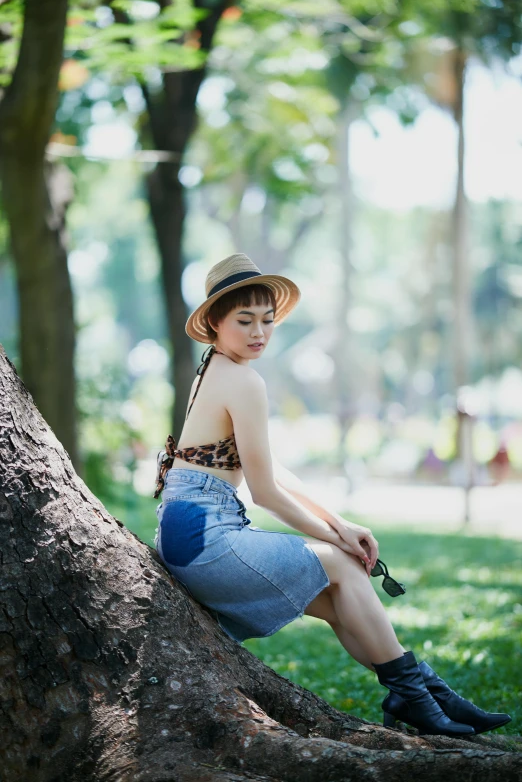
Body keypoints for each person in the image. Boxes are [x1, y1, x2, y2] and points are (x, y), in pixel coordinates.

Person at [154, 252, 511, 737]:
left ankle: (423, 692)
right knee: (342, 566)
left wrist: (341, 523)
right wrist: (337, 540)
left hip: (188, 533)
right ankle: (415, 694)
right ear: (214, 322)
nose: (259, 332)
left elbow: (271, 469)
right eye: (245, 321)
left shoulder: (216, 369)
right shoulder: (242, 380)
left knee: (343, 595)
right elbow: (264, 492)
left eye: (268, 320)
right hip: (204, 539)